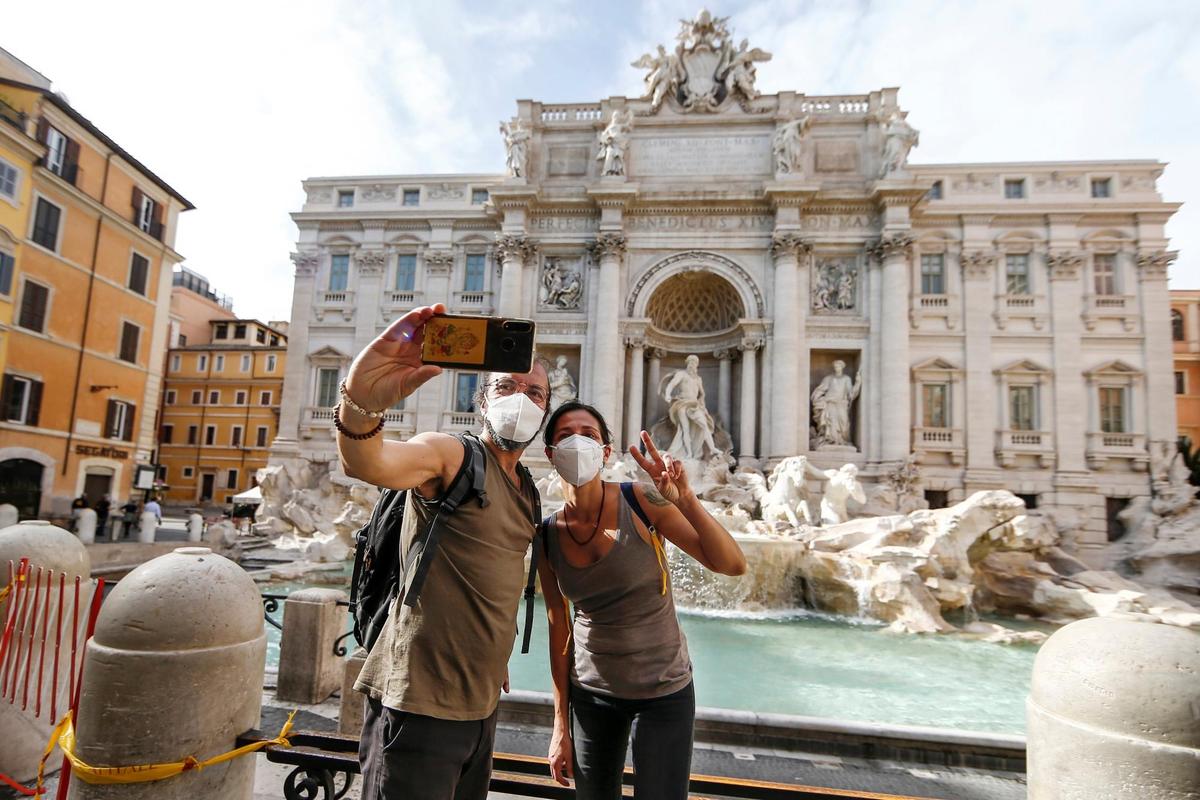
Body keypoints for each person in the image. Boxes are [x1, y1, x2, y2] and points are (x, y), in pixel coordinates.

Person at [338, 303, 550, 800]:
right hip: (418, 707)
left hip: (479, 708)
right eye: (507, 387)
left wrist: (495, 655)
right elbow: (368, 462)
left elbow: (496, 574)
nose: (521, 398)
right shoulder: (451, 455)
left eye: (534, 392)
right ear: (482, 402)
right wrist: (361, 399)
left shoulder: (527, 490)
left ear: (545, 411)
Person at [538, 401, 747, 799]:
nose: (578, 441)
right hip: (591, 696)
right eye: (566, 435)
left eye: (589, 434)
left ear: (605, 452)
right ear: (550, 453)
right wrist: (559, 726)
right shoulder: (547, 534)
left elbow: (732, 564)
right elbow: (558, 631)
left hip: (663, 693)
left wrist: (685, 498)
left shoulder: (642, 501)